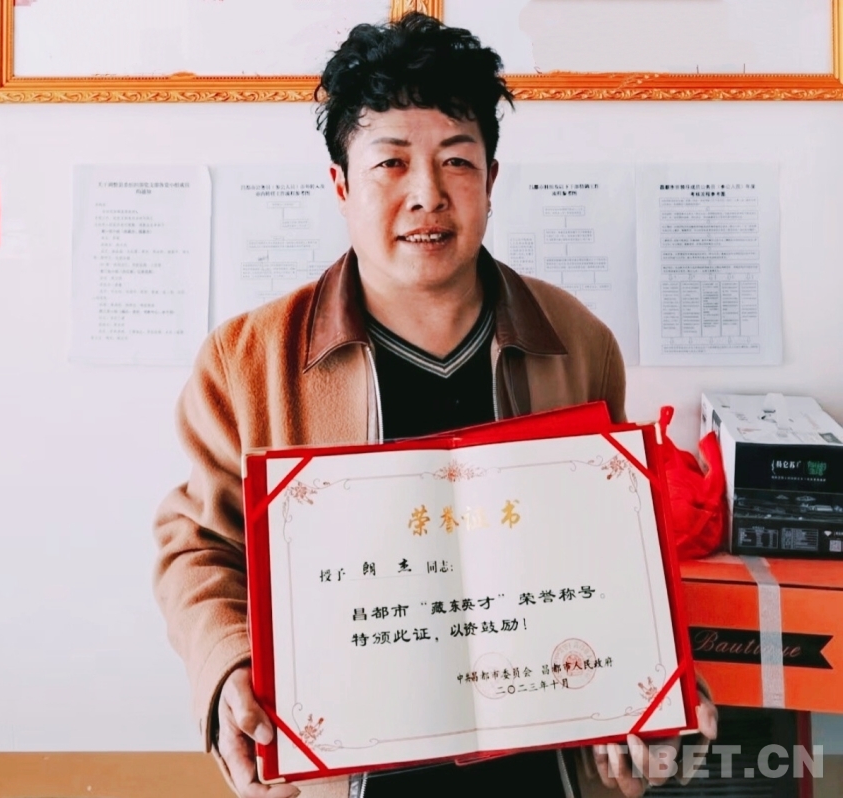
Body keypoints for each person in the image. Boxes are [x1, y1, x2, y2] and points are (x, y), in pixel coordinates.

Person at [153, 12, 716, 798]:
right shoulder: (249, 361)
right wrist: (228, 669)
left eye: (457, 160)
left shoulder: (576, 342)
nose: (428, 194)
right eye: (391, 163)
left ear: (491, 180)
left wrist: (655, 691)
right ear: (341, 185)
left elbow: (616, 558)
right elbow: (198, 548)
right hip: (346, 777)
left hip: (543, 774)